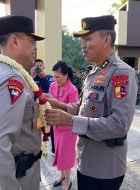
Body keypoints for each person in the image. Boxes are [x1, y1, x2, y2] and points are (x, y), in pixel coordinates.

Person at [45, 15, 137, 190]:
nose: (83, 45)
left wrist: (71, 121)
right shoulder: (95, 72)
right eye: (82, 40)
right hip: (85, 161)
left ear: (107, 39)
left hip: (104, 167)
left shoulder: (121, 73)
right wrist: (60, 105)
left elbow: (119, 124)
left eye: (87, 39)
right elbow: (83, 108)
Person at [0, 15, 45, 190]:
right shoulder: (11, 79)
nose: (35, 47)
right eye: (31, 41)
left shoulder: (4, 71)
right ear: (15, 41)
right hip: (17, 181)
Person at [49, 61, 79, 190]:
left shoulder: (72, 90)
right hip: (56, 126)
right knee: (58, 152)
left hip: (68, 128)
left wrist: (55, 103)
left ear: (66, 75)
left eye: (58, 77)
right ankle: (61, 175)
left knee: (66, 154)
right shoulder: (53, 86)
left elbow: (72, 110)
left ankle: (68, 181)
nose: (55, 80)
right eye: (54, 76)